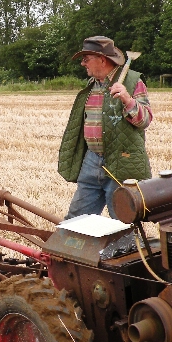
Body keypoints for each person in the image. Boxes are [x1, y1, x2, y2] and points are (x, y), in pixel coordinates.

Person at [57, 36, 153, 220]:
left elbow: (145, 120)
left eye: (86, 59)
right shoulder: (92, 85)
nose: (83, 64)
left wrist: (127, 99)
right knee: (76, 220)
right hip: (92, 160)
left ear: (102, 59)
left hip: (121, 161)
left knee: (121, 224)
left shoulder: (133, 81)